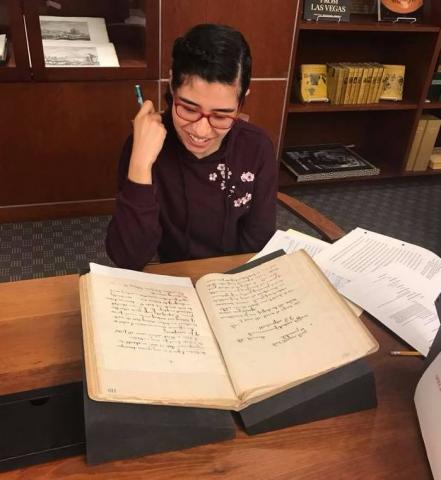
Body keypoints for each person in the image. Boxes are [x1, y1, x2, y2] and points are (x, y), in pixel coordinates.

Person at [106, 24, 278, 270]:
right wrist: (140, 164)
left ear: (242, 101)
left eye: (221, 116)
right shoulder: (146, 144)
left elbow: (258, 244)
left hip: (234, 281)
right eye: (188, 109)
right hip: (172, 279)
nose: (200, 131)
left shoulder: (256, 147)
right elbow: (128, 257)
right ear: (171, 86)